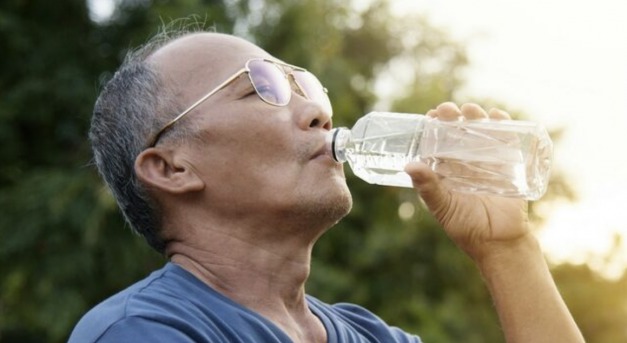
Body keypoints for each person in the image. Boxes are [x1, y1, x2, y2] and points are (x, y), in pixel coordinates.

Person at [68, 27, 584, 343]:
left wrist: (508, 251)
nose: (319, 111)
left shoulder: (371, 335)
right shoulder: (143, 331)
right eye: (263, 88)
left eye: (307, 86)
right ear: (172, 168)